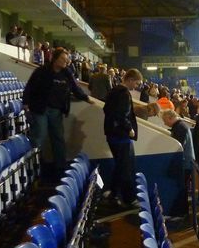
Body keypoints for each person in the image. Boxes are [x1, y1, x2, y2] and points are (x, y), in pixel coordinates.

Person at [23, 47, 92, 176]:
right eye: (63, 59)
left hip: (56, 110)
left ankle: (60, 169)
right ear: (55, 58)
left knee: (58, 139)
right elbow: (30, 87)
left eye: (67, 60)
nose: (66, 62)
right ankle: (33, 168)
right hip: (40, 109)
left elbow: (76, 88)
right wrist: (25, 103)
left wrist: (86, 98)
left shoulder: (67, 73)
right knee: (40, 136)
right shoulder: (42, 71)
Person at [102, 69, 144, 206]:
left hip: (111, 134)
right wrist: (129, 128)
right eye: (136, 83)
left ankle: (112, 192)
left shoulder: (113, 91)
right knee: (126, 167)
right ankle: (129, 198)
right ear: (130, 79)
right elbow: (122, 115)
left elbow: (106, 110)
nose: (136, 87)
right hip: (121, 136)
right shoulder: (124, 94)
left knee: (120, 165)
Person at [162, 108, 195, 217]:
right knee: (181, 188)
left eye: (165, 120)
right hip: (186, 162)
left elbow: (178, 146)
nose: (164, 122)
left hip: (184, 163)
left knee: (181, 188)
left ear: (170, 118)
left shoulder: (180, 127)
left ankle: (181, 214)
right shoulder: (180, 126)